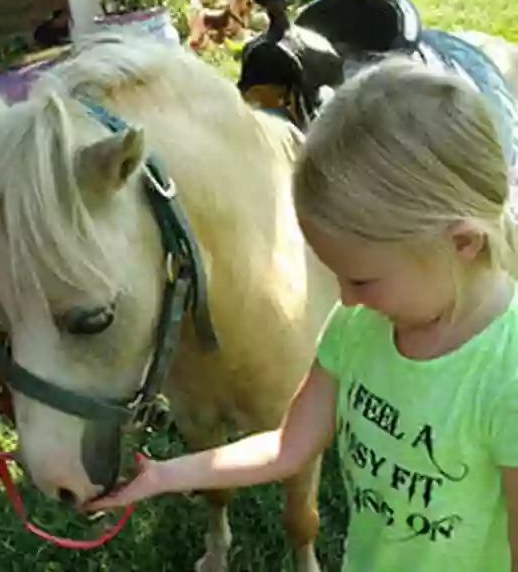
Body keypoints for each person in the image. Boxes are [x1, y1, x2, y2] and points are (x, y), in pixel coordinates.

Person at [84, 57, 518, 571]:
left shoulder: (504, 373)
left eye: (361, 279)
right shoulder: (359, 329)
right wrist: (164, 475)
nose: (346, 298)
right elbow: (289, 447)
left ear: (462, 243)